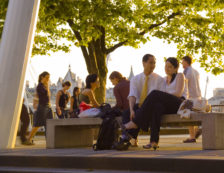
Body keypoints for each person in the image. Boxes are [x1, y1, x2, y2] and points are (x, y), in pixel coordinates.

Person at [118, 57, 187, 150]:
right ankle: (153, 141)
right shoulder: (164, 79)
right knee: (157, 107)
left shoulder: (180, 75)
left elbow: (178, 93)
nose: (167, 69)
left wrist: (161, 94)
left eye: (170, 67)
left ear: (175, 68)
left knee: (155, 93)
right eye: (165, 66)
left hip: (178, 103)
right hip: (167, 106)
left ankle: (135, 122)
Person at [116, 54, 165, 149]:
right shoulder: (135, 79)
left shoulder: (159, 79)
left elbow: (161, 98)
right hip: (139, 105)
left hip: (152, 107)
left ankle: (131, 134)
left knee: (149, 110)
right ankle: (128, 138)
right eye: (151, 62)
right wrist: (131, 110)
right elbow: (132, 95)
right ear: (144, 63)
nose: (153, 65)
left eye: (154, 63)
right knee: (127, 113)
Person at [25, 71, 53, 145]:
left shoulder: (45, 86)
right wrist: (47, 87)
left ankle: (49, 140)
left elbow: (48, 96)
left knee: (49, 124)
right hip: (42, 107)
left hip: (48, 106)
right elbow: (41, 95)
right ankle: (28, 139)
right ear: (42, 77)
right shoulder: (40, 86)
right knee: (37, 124)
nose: (48, 79)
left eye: (48, 78)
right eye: (46, 78)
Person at [182, 55, 202, 143]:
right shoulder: (196, 71)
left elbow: (184, 84)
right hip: (198, 96)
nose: (182, 63)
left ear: (186, 62)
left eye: (182, 61)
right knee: (194, 116)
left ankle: (192, 137)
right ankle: (197, 131)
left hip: (190, 97)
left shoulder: (186, 71)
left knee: (189, 117)